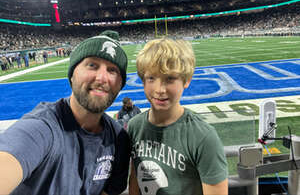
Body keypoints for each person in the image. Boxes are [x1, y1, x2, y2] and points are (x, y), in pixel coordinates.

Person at [0, 30, 131, 195]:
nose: (101, 78)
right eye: (92, 65)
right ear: (72, 75)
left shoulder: (119, 139)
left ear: (120, 84)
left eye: (112, 70)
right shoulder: (42, 129)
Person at [127, 38, 228, 195]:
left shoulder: (203, 137)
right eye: (151, 78)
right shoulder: (134, 126)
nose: (160, 89)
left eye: (170, 79)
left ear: (186, 80)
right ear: (143, 81)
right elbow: (136, 178)